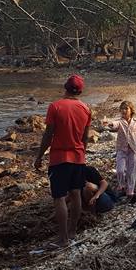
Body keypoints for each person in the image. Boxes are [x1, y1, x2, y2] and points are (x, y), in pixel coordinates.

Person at [34, 74, 92, 247]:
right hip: (78, 158)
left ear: (65, 88)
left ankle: (63, 238)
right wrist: (82, 154)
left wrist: (39, 156)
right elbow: (85, 138)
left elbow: (48, 135)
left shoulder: (55, 107)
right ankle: (73, 232)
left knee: (59, 197)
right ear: (80, 91)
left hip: (59, 158)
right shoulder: (86, 109)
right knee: (75, 195)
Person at [114, 100, 136, 198]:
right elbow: (114, 124)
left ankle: (130, 191)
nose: (124, 111)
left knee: (131, 171)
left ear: (131, 110)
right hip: (121, 150)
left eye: (126, 108)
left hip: (133, 150)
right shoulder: (120, 122)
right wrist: (110, 124)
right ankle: (122, 185)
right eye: (122, 109)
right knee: (120, 170)